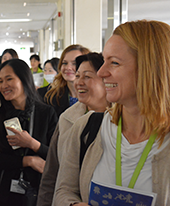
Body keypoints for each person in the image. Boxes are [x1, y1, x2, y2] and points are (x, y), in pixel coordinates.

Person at [54, 20, 170, 206]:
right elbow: (63, 191)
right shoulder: (87, 127)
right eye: (104, 60)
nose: (101, 72)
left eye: (114, 63)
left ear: (150, 68)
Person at [0, 59, 58, 206]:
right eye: (0, 81)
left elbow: (57, 155)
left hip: (40, 192)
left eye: (9, 79)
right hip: (5, 194)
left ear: (24, 79)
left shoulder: (46, 113)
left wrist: (32, 144)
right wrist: (28, 161)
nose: (4, 86)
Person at [37, 53, 108, 206]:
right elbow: (52, 173)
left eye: (87, 77)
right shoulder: (67, 119)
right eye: (77, 76)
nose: (79, 83)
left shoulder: (122, 121)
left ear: (106, 80)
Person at [39, 45, 90, 117]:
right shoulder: (49, 96)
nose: (68, 67)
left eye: (74, 63)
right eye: (65, 63)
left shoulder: (96, 97)